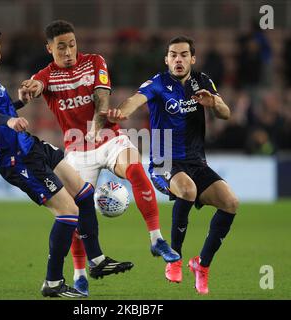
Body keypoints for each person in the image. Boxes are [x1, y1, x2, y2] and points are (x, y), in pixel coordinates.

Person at [0, 27, 133, 298]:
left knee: (84, 192)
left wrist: (18, 104)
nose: (0, 55)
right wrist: (10, 120)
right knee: (68, 212)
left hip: (30, 145)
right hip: (15, 157)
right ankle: (53, 282)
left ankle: (96, 260)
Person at [21, 20, 180, 296]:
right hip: (77, 151)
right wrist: (28, 90)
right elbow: (34, 87)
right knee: (75, 212)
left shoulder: (94, 61)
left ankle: (156, 239)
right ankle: (80, 274)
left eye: (72, 44)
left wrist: (96, 123)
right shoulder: (46, 76)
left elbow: (102, 95)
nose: (69, 51)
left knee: (136, 170)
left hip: (108, 138)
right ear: (49, 49)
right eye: (61, 47)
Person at [103, 36, 239, 295]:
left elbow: (226, 113)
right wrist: (121, 113)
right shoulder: (158, 83)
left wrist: (214, 103)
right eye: (173, 55)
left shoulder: (203, 81)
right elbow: (135, 99)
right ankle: (174, 258)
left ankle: (202, 265)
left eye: (184, 55)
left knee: (231, 203)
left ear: (192, 59)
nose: (178, 59)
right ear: (166, 60)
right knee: (186, 190)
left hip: (197, 162)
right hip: (164, 162)